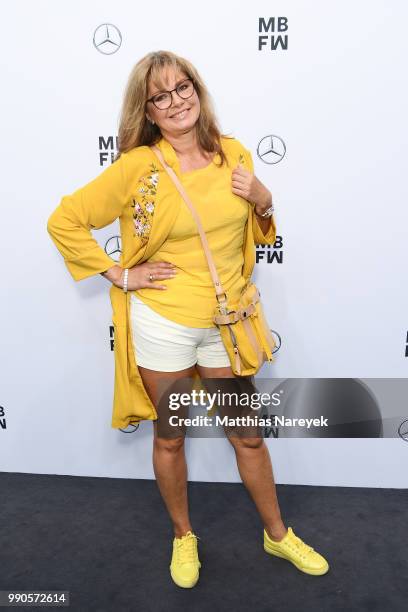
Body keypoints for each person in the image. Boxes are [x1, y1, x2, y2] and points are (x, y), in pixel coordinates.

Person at [47, 50, 329, 588]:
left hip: (227, 324)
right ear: (148, 111)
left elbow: (255, 228)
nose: (176, 101)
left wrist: (266, 201)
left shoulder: (234, 153)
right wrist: (120, 274)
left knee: (246, 436)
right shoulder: (139, 167)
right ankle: (183, 536)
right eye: (161, 95)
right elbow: (65, 220)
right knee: (171, 436)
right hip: (166, 324)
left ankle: (277, 533)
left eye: (183, 88)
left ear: (198, 92)